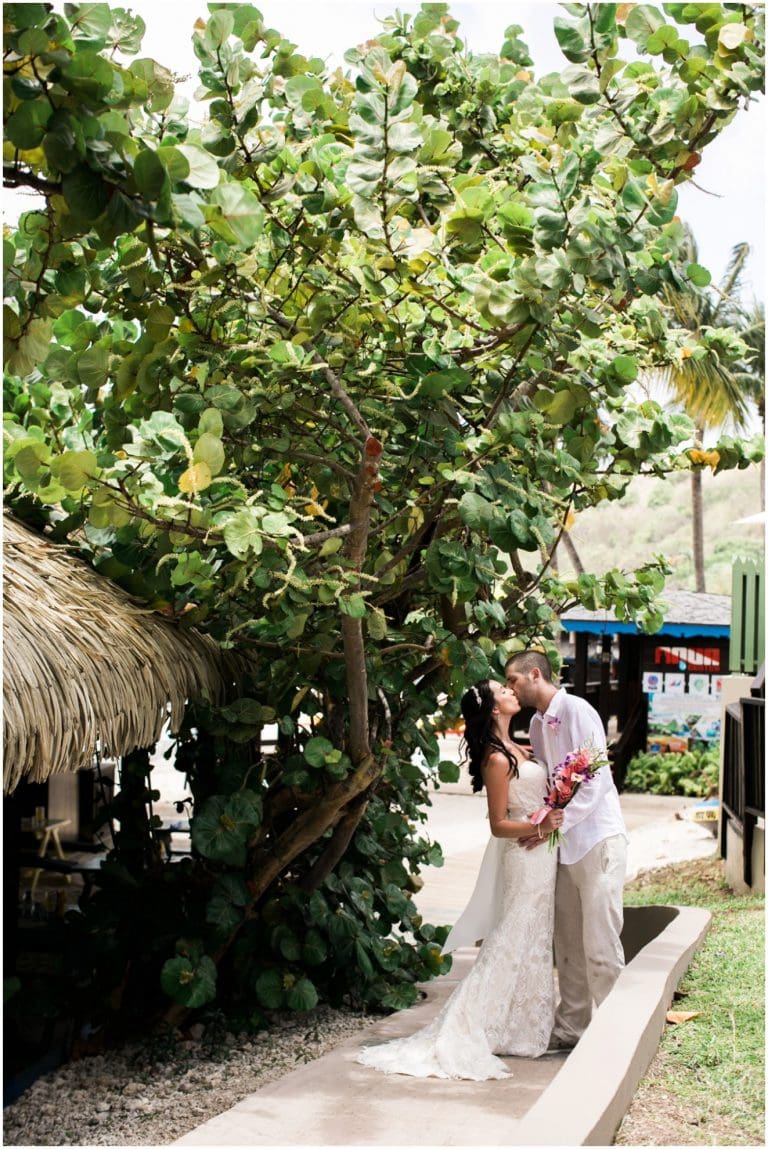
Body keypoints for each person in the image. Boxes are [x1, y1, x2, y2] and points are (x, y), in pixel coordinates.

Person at [355, 679, 563, 1080]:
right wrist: (541, 828)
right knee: (513, 934)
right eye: (503, 689)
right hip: (524, 856)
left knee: (534, 934)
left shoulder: (520, 748)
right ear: (493, 708)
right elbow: (499, 825)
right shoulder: (498, 759)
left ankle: (519, 1028)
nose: (511, 690)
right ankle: (478, 1024)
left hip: (541, 855)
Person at [505, 650, 628, 1052]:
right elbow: (550, 785)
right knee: (569, 943)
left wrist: (556, 823)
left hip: (596, 838)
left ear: (534, 674)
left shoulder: (576, 709)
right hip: (561, 845)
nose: (511, 688)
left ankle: (614, 1031)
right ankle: (572, 1027)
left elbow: (596, 778)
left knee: (600, 940)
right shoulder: (539, 725)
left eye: (514, 680)